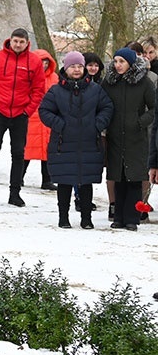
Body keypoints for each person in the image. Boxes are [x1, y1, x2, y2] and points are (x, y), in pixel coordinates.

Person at [38, 51, 113, 229]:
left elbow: (107, 107)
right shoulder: (56, 91)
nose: (77, 69)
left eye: (80, 66)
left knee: (86, 182)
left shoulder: (95, 90)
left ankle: (86, 218)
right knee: (64, 182)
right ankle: (63, 217)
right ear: (66, 68)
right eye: (73, 66)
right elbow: (44, 111)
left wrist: (97, 124)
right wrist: (60, 124)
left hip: (89, 142)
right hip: (63, 143)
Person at [0, 28, 46, 207]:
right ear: (10, 41)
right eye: (15, 41)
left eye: (21, 42)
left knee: (18, 154)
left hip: (20, 114)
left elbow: (39, 89)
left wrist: (28, 111)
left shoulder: (34, 61)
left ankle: (15, 193)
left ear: (27, 43)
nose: (18, 45)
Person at [101, 48, 155, 231]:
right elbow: (101, 104)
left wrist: (140, 122)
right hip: (115, 136)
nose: (118, 65)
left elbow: (154, 108)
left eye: (122, 61)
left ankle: (132, 218)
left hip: (136, 138)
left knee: (134, 179)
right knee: (118, 177)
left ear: (130, 63)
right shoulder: (109, 82)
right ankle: (118, 217)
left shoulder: (144, 82)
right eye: (115, 61)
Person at [23, 49, 59, 191]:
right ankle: (19, 177)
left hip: (48, 117)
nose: (44, 65)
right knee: (27, 149)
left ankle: (47, 180)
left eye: (46, 63)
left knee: (47, 151)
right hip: (32, 116)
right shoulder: (27, 76)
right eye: (41, 62)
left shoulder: (54, 78)